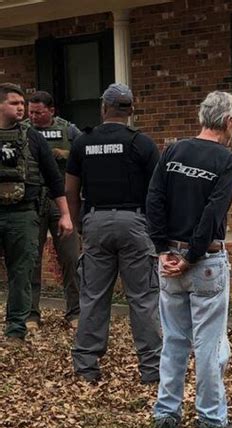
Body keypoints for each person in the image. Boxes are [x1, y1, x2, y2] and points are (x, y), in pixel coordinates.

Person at [146, 91, 232, 428]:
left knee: (173, 339)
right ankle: (211, 419)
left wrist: (162, 249)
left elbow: (154, 199)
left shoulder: (173, 150)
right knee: (208, 344)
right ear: (229, 121)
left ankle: (166, 413)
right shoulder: (228, 161)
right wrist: (192, 256)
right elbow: (213, 213)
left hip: (169, 258)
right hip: (206, 262)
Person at [65, 83, 162, 383]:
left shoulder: (83, 143)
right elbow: (157, 192)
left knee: (93, 296)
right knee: (143, 298)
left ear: (103, 108)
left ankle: (86, 367)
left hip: (95, 220)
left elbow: (70, 188)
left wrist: (79, 222)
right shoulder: (142, 144)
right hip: (134, 222)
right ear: (131, 110)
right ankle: (152, 370)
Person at [0, 83, 73, 343]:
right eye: (14, 103)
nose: (21, 108)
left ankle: (15, 330)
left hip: (23, 213)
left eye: (22, 103)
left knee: (22, 271)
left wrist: (65, 214)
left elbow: (54, 179)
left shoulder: (33, 137)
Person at [24, 91, 82, 331]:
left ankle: (75, 312)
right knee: (31, 259)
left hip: (61, 203)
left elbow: (84, 155)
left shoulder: (69, 132)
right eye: (31, 112)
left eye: (39, 112)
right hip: (32, 202)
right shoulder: (23, 131)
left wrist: (66, 154)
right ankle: (30, 314)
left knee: (70, 257)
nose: (34, 116)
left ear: (51, 110)